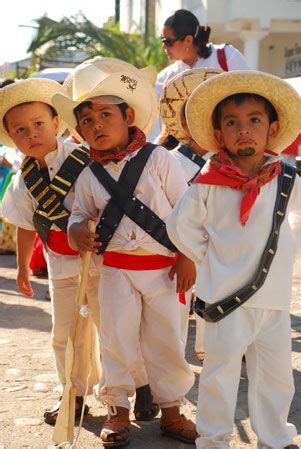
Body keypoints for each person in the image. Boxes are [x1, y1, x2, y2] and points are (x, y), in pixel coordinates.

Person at [52, 59, 197, 446]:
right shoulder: (86, 175)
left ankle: (171, 411)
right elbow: (78, 214)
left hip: (166, 270)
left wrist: (188, 256)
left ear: (128, 115)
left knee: (166, 340)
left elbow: (187, 211)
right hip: (115, 270)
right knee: (116, 340)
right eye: (86, 120)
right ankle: (118, 411)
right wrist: (78, 229)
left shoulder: (161, 159)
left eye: (104, 114)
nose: (95, 125)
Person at [166, 70, 301, 448]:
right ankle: (213, 440)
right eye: (232, 123)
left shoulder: (286, 180)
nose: (244, 130)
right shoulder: (207, 182)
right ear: (219, 133)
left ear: (272, 129)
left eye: (254, 120)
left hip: (273, 301)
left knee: (275, 375)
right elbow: (180, 226)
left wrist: (288, 256)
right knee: (219, 374)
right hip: (225, 299)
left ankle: (275, 437)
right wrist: (209, 258)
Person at [0, 78, 101, 425]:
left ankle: (134, 390)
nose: (32, 134)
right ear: (12, 138)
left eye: (39, 124)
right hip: (60, 266)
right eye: (20, 130)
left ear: (57, 123)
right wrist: (23, 267)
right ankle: (73, 394)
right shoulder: (22, 178)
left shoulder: (85, 158)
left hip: (101, 262)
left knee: (112, 329)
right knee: (65, 334)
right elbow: (25, 225)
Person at [160, 66, 223, 362]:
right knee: (171, 325)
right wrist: (186, 254)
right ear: (185, 121)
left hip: (220, 258)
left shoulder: (228, 165)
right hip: (178, 257)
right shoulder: (168, 162)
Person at [148, 8, 248, 142]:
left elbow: (249, 96)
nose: (163, 47)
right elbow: (156, 129)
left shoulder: (226, 57)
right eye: (162, 40)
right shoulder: (165, 79)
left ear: (188, 40)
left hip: (230, 142)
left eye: (168, 41)